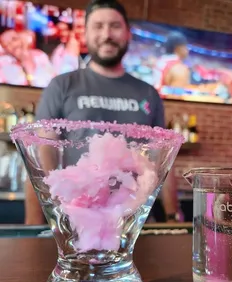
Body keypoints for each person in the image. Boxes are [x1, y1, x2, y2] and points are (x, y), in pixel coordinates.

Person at [25, 0, 179, 225]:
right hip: (78, 221)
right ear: (85, 34)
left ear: (128, 34)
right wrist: (36, 225)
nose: (107, 34)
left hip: (134, 223)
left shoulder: (148, 93)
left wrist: (174, 217)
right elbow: (40, 156)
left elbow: (163, 161)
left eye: (115, 26)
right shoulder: (62, 86)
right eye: (98, 26)